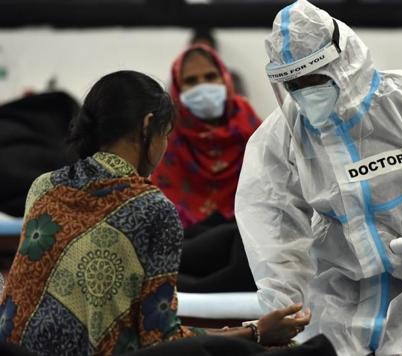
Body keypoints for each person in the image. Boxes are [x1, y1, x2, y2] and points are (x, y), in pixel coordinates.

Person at [235, 1, 402, 355]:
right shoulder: (282, 136)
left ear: (342, 63)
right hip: (342, 283)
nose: (305, 91)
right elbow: (272, 220)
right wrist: (285, 304)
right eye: (294, 83)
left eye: (314, 78)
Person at [0, 70, 310, 354]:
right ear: (148, 125)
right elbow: (161, 339)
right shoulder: (151, 206)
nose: (164, 147)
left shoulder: (44, 186)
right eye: (165, 134)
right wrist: (255, 332)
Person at [151, 45, 261, 293]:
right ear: (178, 90)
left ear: (225, 78)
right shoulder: (166, 138)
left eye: (210, 77)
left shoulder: (252, 128)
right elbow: (161, 221)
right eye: (191, 81)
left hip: (249, 245)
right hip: (185, 248)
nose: (203, 86)